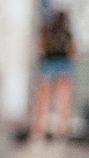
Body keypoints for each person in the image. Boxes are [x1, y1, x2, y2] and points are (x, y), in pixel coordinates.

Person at [31, 10, 76, 140]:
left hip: (48, 66)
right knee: (64, 100)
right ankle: (63, 129)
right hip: (64, 66)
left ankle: (41, 128)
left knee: (44, 100)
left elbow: (41, 48)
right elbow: (73, 50)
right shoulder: (67, 34)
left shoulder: (46, 32)